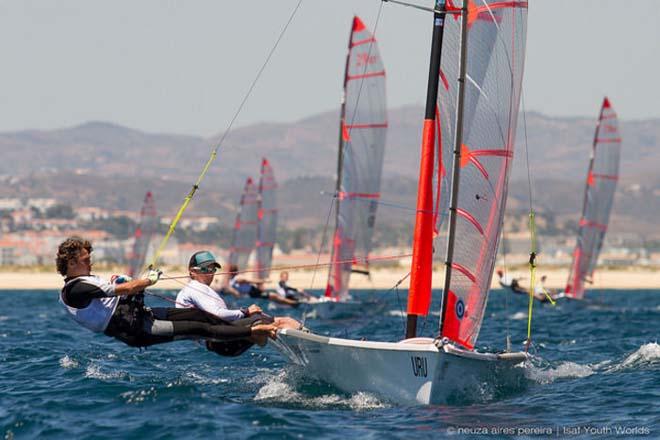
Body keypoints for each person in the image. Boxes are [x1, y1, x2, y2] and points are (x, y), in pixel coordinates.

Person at [57, 237, 277, 352]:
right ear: (72, 262)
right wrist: (147, 281)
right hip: (138, 330)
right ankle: (253, 331)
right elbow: (123, 290)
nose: (90, 262)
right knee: (198, 328)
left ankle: (246, 331)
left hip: (140, 315)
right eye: (86, 260)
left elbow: (114, 291)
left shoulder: (85, 281)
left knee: (197, 315)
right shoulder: (74, 289)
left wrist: (121, 281)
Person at [228, 264, 299, 307]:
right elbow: (249, 282)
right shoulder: (235, 278)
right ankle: (293, 303)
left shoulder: (234, 280)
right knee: (273, 296)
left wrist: (263, 281)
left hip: (252, 293)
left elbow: (249, 282)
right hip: (252, 293)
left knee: (273, 296)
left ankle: (291, 303)